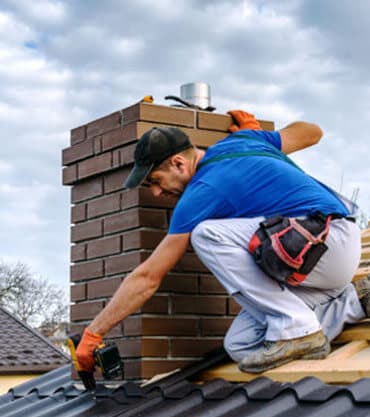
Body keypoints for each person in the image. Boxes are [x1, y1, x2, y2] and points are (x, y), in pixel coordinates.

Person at [76, 110, 369, 374]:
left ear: (178, 163)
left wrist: (94, 333)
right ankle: (352, 303)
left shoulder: (200, 194)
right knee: (241, 345)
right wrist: (257, 136)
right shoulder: (245, 141)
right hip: (319, 261)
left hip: (327, 241)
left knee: (207, 234)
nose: (155, 192)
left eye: (155, 180)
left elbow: (148, 277)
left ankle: (296, 327)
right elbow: (312, 132)